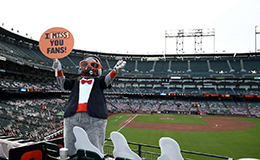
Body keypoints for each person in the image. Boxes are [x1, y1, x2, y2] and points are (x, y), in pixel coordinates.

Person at [52, 55, 126, 156]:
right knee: (70, 143)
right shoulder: (76, 82)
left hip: (94, 117)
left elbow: (107, 80)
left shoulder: (98, 82)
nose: (88, 68)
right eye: (85, 64)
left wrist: (115, 71)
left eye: (93, 65)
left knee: (94, 144)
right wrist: (58, 70)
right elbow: (63, 83)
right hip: (72, 115)